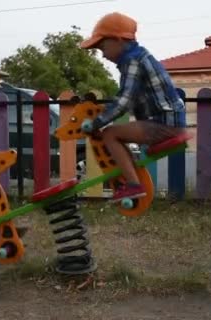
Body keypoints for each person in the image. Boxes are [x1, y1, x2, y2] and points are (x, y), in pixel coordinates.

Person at [80, 12, 189, 202]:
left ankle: (132, 185)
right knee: (116, 133)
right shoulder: (136, 58)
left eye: (103, 47)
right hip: (166, 120)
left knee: (110, 134)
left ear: (117, 40)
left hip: (164, 123)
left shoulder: (133, 60)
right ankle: (131, 176)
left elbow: (123, 101)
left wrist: (96, 123)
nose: (103, 55)